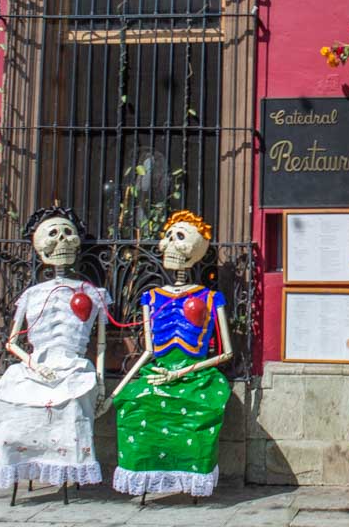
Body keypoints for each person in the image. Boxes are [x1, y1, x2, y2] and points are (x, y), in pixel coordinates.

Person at [0, 206, 109, 492]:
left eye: (68, 234)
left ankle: (66, 467)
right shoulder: (31, 296)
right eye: (53, 235)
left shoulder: (92, 294)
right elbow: (11, 342)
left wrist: (100, 382)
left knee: (70, 403)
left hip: (73, 368)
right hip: (35, 367)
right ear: (38, 247)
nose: (62, 241)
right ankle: (19, 463)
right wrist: (34, 364)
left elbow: (100, 345)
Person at [105, 210, 233, 499]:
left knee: (200, 412)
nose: (170, 245)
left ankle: (191, 478)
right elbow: (150, 350)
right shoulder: (151, 298)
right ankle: (147, 476)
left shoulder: (210, 298)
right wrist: (118, 390)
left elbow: (227, 353)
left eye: (180, 238)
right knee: (134, 406)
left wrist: (182, 373)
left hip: (195, 374)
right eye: (168, 237)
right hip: (158, 371)